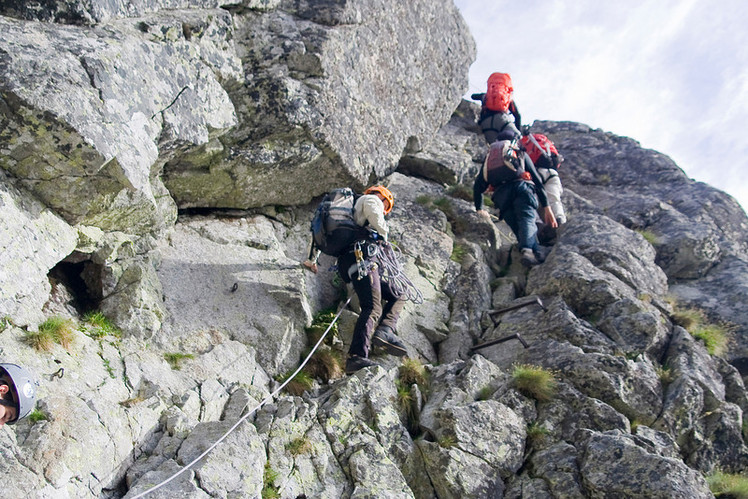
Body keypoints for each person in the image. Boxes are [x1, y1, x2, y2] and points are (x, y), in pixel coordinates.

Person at [304, 186, 408, 374]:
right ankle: (357, 357)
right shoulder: (371, 200)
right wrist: (384, 234)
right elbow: (374, 211)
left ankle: (385, 331)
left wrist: (312, 260)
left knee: (397, 293)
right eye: (387, 208)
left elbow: (320, 236)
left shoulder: (347, 214)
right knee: (373, 307)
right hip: (363, 259)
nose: (385, 212)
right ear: (384, 199)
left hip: (351, 263)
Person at [474, 140, 558, 266]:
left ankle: (535, 251)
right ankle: (528, 251)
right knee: (527, 220)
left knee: (518, 226)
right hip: (521, 188)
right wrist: (547, 207)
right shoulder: (518, 153)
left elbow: (477, 186)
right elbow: (537, 180)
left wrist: (479, 208)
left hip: (500, 196)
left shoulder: (490, 161)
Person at [520, 125, 567, 226]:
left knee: (533, 200)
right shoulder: (542, 141)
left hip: (535, 174)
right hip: (552, 173)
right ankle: (560, 221)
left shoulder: (523, 144)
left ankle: (538, 224)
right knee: (554, 200)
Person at [471, 72, 522, 145]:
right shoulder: (507, 98)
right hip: (502, 120)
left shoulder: (485, 96)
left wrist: (483, 96)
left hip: (486, 123)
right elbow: (518, 116)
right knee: (517, 138)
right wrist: (518, 132)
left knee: (495, 148)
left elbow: (473, 96)